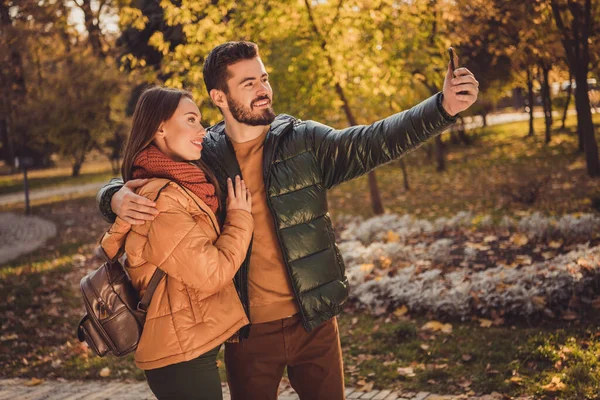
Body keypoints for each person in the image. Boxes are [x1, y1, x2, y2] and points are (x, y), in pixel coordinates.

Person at [97, 41, 479, 400]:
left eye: (264, 78)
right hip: (245, 331)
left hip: (314, 322)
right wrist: (113, 194)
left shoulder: (304, 142)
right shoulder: (201, 156)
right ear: (219, 97)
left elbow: (373, 141)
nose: (263, 88)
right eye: (248, 83)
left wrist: (441, 107)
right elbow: (147, 169)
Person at [99, 86, 253, 400]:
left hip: (186, 344)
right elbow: (212, 274)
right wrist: (240, 217)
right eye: (191, 120)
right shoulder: (163, 200)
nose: (202, 130)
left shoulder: (182, 183)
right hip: (180, 355)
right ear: (160, 128)